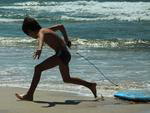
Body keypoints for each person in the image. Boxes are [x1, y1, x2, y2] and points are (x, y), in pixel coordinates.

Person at [15, 17, 97, 101]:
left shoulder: (41, 32)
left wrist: (39, 48)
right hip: (65, 54)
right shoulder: (46, 30)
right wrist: (66, 39)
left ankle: (29, 95)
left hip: (61, 55)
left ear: (30, 31)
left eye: (28, 34)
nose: (30, 36)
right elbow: (60, 26)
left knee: (38, 68)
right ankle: (90, 85)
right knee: (66, 79)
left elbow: (41, 38)